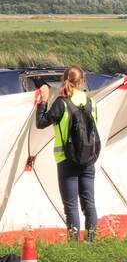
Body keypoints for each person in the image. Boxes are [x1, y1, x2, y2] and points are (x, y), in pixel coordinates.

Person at [35, 66, 99, 242]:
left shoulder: (61, 103)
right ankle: (92, 241)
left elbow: (40, 123)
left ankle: (74, 243)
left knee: (71, 205)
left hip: (66, 159)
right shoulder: (90, 102)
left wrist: (43, 101)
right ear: (82, 81)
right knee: (89, 202)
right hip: (88, 159)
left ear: (64, 79)